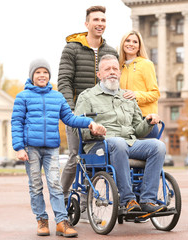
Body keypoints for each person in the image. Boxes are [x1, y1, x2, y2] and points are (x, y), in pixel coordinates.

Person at [11, 58, 105, 237]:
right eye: (38, 72)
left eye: (45, 72)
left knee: (55, 184)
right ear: (31, 75)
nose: (42, 75)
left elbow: (70, 118)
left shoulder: (57, 97)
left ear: (49, 75)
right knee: (36, 186)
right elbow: (16, 122)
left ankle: (61, 222)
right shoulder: (23, 97)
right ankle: (42, 220)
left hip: (51, 148)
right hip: (30, 148)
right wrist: (18, 147)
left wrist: (89, 123)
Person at [74, 54, 167, 214]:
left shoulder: (127, 97)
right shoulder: (87, 96)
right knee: (118, 142)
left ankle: (147, 200)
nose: (112, 72)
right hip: (98, 146)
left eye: (115, 69)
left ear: (119, 73)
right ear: (99, 74)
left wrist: (148, 122)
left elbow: (138, 129)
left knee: (158, 146)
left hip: (128, 143)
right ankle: (128, 200)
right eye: (107, 69)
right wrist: (92, 129)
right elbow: (78, 127)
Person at [57, 5, 118, 217]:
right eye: (96, 20)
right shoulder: (72, 49)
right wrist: (70, 113)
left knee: (99, 158)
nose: (100, 24)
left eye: (103, 20)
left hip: (103, 115)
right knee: (76, 157)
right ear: (87, 24)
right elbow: (64, 81)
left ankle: (86, 201)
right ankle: (61, 197)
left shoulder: (110, 52)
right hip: (77, 114)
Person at [118, 30, 160, 138]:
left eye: (135, 42)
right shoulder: (119, 67)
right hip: (125, 121)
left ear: (139, 46)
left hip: (144, 120)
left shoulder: (146, 64)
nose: (131, 44)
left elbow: (155, 93)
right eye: (128, 41)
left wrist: (136, 95)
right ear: (123, 43)